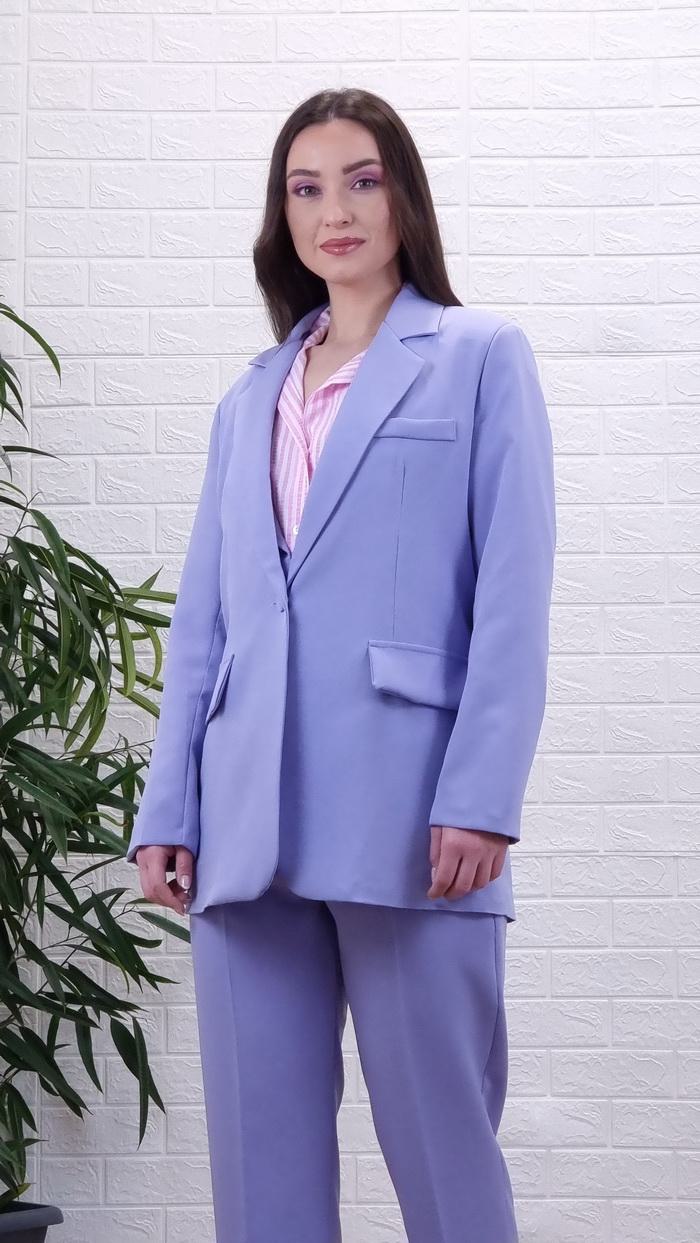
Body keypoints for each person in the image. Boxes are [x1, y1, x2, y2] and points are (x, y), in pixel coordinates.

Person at [126, 87, 556, 1243]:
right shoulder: (249, 397)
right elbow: (205, 623)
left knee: (443, 1160)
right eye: (306, 188)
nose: (336, 211)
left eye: (362, 180)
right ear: (282, 217)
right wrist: (170, 807)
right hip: (242, 829)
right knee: (259, 1179)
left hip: (412, 818)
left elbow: (512, 597)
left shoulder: (477, 357)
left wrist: (481, 794)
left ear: (403, 196)